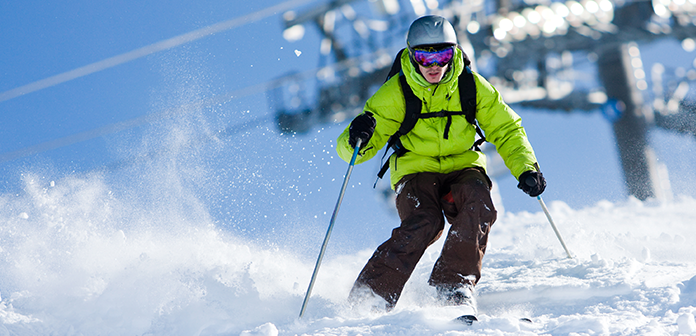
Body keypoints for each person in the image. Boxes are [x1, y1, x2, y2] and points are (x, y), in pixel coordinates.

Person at [335, 15, 546, 313]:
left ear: (454, 53)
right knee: (425, 221)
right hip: (414, 169)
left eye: (443, 55)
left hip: (463, 166)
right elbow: (352, 152)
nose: (434, 66)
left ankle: (453, 284)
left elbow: (507, 128)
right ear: (411, 55)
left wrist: (526, 167)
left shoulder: (471, 86)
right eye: (424, 57)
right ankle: (371, 294)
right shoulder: (397, 92)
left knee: (479, 203)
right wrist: (358, 135)